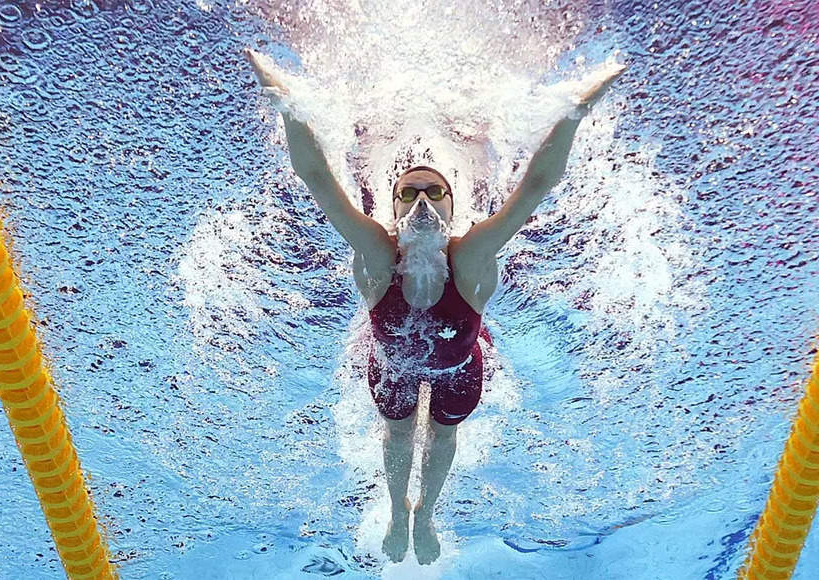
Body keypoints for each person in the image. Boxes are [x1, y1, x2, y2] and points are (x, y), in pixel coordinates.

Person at [244, 48, 625, 565]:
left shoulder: (470, 257)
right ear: (393, 206)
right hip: (389, 361)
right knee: (398, 430)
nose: (421, 199)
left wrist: (577, 107)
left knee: (442, 438)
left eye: (434, 190)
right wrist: (285, 101)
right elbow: (317, 180)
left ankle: (425, 514)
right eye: (408, 192)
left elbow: (536, 186)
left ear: (453, 204)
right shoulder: (378, 253)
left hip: (462, 368)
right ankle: (399, 510)